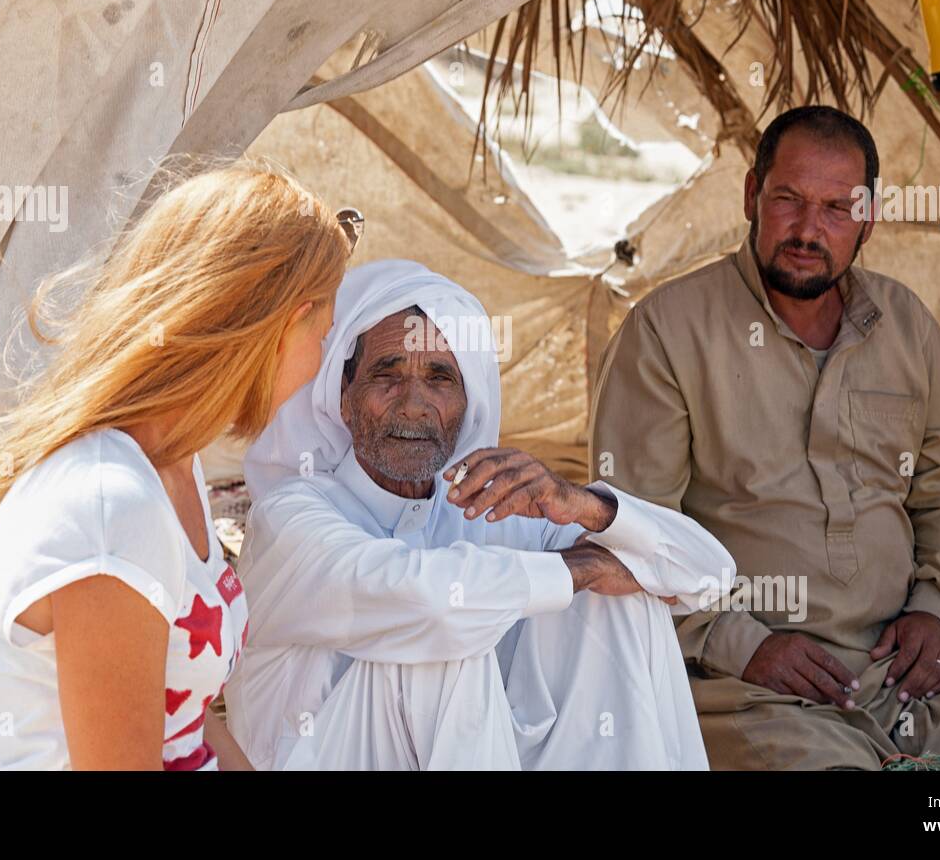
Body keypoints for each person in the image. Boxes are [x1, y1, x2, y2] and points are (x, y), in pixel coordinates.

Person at [590, 105, 940, 769]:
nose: (809, 230)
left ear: (868, 218)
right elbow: (635, 534)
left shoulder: (906, 325)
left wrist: (938, 612)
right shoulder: (668, 330)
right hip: (748, 685)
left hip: (903, 672)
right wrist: (739, 642)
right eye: (789, 199)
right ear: (753, 195)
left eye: (838, 207)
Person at [227, 259, 735, 770]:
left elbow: (710, 576)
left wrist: (586, 507)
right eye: (388, 373)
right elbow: (427, 601)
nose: (413, 404)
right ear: (343, 394)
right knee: (443, 634)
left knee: (623, 598)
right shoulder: (291, 515)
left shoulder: (486, 508)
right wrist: (578, 569)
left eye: (439, 377)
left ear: (469, 401)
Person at [0, 161, 355, 770]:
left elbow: (185, 722)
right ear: (276, 329)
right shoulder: (111, 504)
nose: (324, 363)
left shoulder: (170, 464)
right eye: (322, 337)